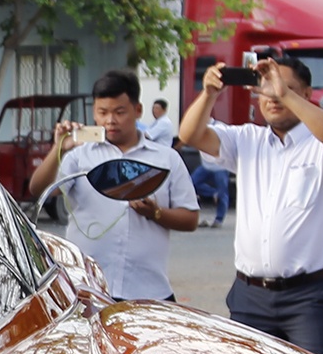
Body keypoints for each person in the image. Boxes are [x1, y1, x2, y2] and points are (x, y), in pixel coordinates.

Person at [179, 54, 323, 354]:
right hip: (250, 297)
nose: (272, 95)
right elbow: (190, 135)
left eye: (285, 88)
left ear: (307, 95)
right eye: (266, 88)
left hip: (309, 298)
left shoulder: (319, 144)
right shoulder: (247, 139)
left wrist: (283, 92)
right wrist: (208, 94)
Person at [25, 70, 197, 300]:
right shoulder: (79, 156)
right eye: (102, 112)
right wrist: (58, 148)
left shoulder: (166, 159)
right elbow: (38, 189)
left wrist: (155, 213)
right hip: (85, 291)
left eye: (119, 112)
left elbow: (190, 219)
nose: (110, 120)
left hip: (148, 292)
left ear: (137, 111)